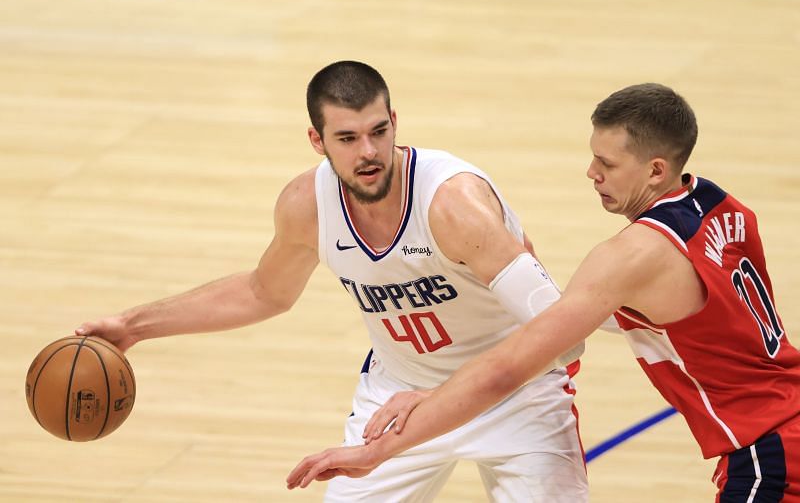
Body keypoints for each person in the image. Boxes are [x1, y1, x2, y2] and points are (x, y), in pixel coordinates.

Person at [76, 60, 588, 502]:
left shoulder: (453, 205)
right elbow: (263, 291)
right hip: (395, 397)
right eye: (347, 138)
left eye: (378, 132)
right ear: (316, 140)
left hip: (517, 394)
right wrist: (134, 325)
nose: (368, 151)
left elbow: (564, 334)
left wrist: (442, 397)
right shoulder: (307, 206)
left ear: (394, 122)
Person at [287, 83, 800, 502]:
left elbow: (513, 364)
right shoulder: (722, 207)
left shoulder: (630, 256)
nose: (591, 173)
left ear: (655, 170)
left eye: (607, 163)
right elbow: (635, 309)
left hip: (768, 448)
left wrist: (392, 437)